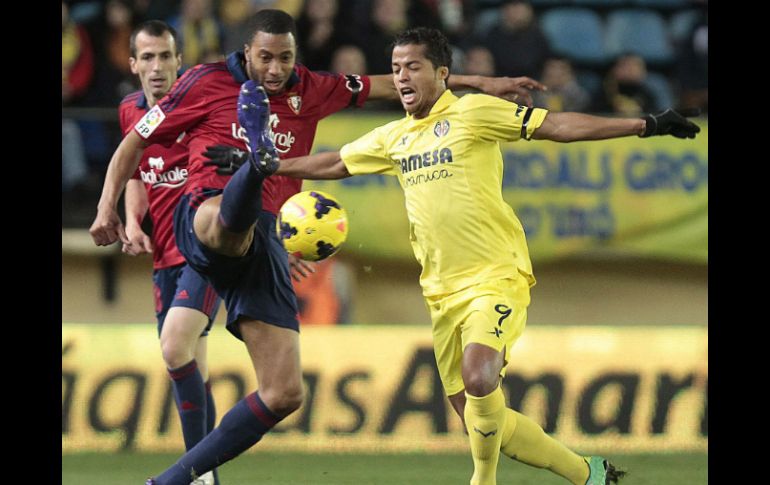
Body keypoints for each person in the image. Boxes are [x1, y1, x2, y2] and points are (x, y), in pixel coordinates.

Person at [89, 9, 546, 484]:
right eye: (264, 58)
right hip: (206, 213)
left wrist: (479, 83)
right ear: (247, 52)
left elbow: (389, 83)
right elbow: (132, 144)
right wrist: (108, 209)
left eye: (285, 58)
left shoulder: (310, 88)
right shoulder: (203, 81)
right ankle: (256, 164)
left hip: (266, 242)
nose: (274, 69)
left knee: (284, 392)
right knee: (218, 238)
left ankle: (172, 481)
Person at [251, 27, 699, 485]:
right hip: (441, 293)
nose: (401, 77)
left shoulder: (475, 113)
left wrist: (646, 124)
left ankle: (482, 480)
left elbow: (558, 127)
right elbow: (335, 162)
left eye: (413, 67)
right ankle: (590, 474)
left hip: (495, 274)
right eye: (396, 69)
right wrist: (266, 165)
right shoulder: (394, 137)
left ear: (442, 74)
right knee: (479, 415)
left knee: (481, 376)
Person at [118, 20, 222, 485]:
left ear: (180, 61)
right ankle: (208, 474)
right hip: (163, 256)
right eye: (148, 58)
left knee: (174, 346)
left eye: (165, 56)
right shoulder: (129, 111)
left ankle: (191, 473)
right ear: (133, 64)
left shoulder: (201, 107)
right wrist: (132, 217)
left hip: (203, 254)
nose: (157, 67)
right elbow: (136, 168)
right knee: (190, 364)